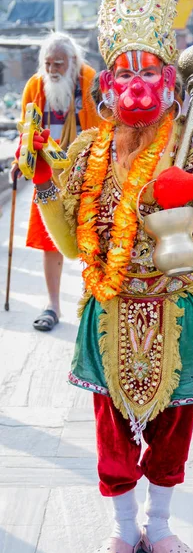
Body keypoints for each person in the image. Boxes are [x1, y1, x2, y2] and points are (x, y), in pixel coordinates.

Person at [15, 0, 193, 553]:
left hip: (177, 305)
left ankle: (159, 528)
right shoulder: (86, 147)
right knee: (109, 428)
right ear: (106, 86)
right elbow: (73, 243)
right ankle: (123, 530)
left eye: (148, 73)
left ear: (169, 81)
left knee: (173, 426)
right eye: (123, 75)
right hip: (108, 308)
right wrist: (49, 183)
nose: (135, 86)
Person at [11, 31, 99, 331]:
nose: (52, 70)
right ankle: (52, 304)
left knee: (94, 239)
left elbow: (103, 130)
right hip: (47, 175)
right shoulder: (35, 85)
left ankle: (95, 303)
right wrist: (18, 161)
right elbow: (26, 130)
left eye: (58, 64)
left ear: (72, 62)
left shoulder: (90, 82)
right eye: (48, 63)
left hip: (85, 173)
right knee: (50, 240)